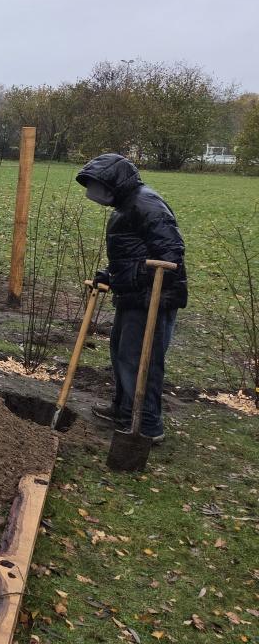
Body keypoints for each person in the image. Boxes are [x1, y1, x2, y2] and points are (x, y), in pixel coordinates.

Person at [76, 154, 186, 444]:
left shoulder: (146, 204)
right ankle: (123, 409)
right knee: (121, 354)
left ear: (114, 182)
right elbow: (133, 252)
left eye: (96, 185)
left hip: (153, 297)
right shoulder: (125, 205)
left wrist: (134, 278)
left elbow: (170, 255)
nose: (93, 193)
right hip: (133, 294)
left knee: (140, 361)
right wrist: (110, 275)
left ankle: (147, 425)